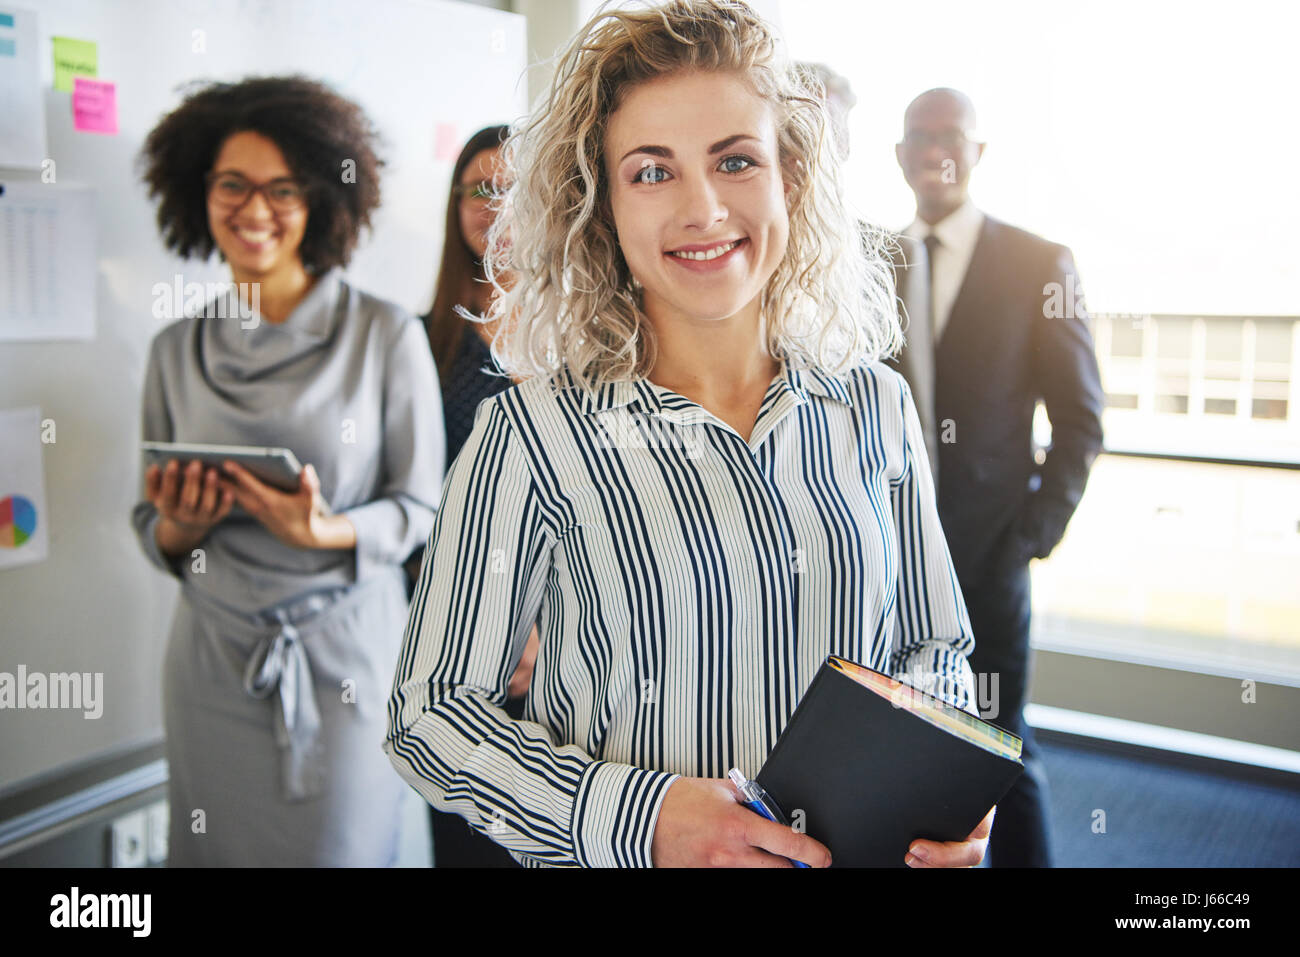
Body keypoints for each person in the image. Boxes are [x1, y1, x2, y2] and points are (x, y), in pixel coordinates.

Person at [386, 0, 994, 868]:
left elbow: (936, 647)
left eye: (735, 160)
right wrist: (642, 817)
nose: (704, 208)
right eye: (652, 172)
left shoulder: (875, 405)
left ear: (791, 177)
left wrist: (937, 776)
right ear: (601, 206)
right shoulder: (534, 433)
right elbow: (429, 715)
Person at [132, 75, 444, 865]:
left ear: (320, 201)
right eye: (232, 184)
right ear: (199, 189)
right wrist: (180, 526)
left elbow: (422, 507)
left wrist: (327, 528)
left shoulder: (382, 335)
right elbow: (150, 523)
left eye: (281, 188)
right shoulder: (175, 348)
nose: (253, 208)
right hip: (210, 664)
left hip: (339, 665)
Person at [891, 87, 1105, 867]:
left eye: (951, 133)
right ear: (900, 155)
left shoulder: (1037, 262)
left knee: (1000, 750)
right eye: (918, 133)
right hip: (887, 559)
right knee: (899, 743)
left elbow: (1082, 418)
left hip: (990, 556)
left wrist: (1030, 537)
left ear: (978, 153)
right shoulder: (873, 264)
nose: (933, 147)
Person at [413, 124, 538, 867]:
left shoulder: (584, 333)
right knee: (459, 821)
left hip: (551, 625)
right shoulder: (420, 337)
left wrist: (531, 628)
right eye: (478, 191)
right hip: (447, 609)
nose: (496, 207)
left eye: (514, 189)